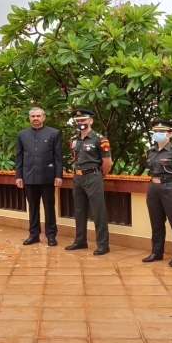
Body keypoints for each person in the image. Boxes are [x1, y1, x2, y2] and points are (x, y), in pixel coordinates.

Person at [142, 119, 172, 267]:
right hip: (153, 188)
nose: (158, 134)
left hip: (171, 186)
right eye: (156, 131)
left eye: (162, 132)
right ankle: (157, 252)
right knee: (156, 222)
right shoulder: (150, 152)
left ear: (170, 134)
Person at [64, 109, 112, 255]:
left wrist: (99, 176)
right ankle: (80, 240)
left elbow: (107, 162)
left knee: (98, 211)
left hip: (93, 176)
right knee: (79, 210)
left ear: (90, 121)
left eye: (83, 120)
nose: (80, 123)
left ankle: (103, 245)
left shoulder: (99, 139)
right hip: (77, 177)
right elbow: (74, 158)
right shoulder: (74, 139)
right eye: (78, 121)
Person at [15, 107, 63, 246]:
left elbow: (58, 156)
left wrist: (58, 175)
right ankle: (34, 234)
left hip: (47, 176)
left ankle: (51, 235)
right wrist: (19, 176)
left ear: (44, 117)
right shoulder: (22, 134)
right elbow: (19, 157)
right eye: (32, 116)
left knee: (49, 207)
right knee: (33, 207)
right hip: (29, 176)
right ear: (29, 118)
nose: (35, 118)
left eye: (38, 116)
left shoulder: (54, 133)